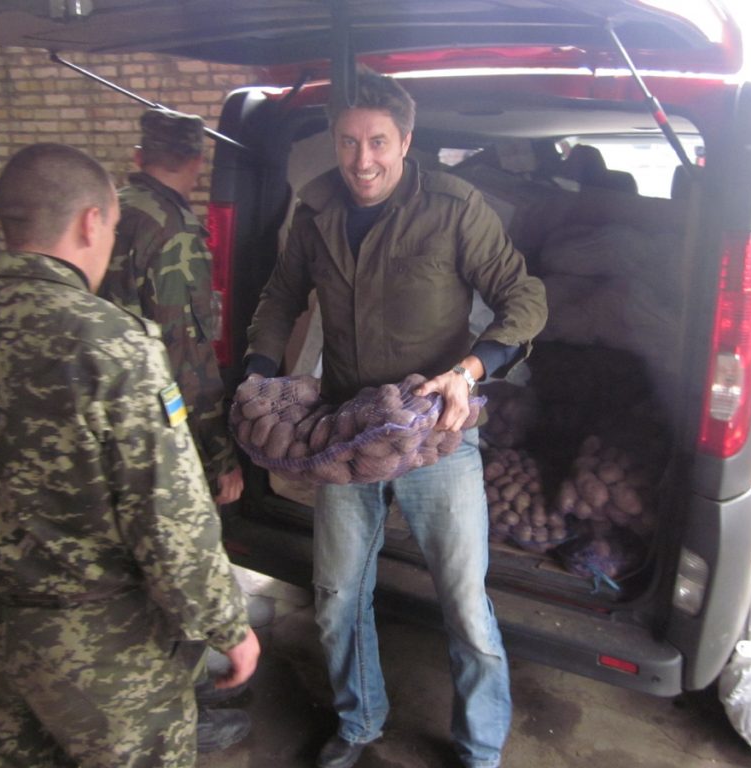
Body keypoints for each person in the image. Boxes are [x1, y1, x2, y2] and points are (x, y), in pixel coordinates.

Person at [0, 143, 260, 765]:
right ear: (93, 221)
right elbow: (169, 519)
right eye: (113, 228)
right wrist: (228, 626)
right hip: (108, 656)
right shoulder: (112, 346)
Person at [243, 66, 548, 768]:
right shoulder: (317, 209)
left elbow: (522, 296)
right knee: (335, 596)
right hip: (348, 435)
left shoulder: (453, 205)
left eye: (378, 141)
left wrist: (471, 372)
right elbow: (280, 297)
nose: (362, 161)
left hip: (435, 435)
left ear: (405, 140)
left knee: (466, 608)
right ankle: (359, 722)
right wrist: (262, 374)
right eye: (348, 142)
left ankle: (479, 749)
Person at [100, 107, 242, 507]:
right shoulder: (174, 232)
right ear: (198, 162)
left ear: (138, 156)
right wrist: (219, 457)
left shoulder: (109, 209)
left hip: (101, 416)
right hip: (156, 434)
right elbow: (186, 352)